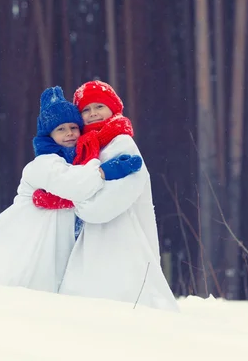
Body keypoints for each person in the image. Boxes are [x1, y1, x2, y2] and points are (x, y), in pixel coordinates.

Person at [0, 86, 142, 292]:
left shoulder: (75, 163)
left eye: (73, 127)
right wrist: (103, 172)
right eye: (60, 129)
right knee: (16, 283)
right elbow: (76, 187)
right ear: (48, 135)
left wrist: (59, 199)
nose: (69, 134)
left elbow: (75, 188)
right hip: (29, 238)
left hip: (55, 241)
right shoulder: (43, 164)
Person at [33, 80, 179, 312]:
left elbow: (114, 198)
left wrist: (78, 204)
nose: (93, 114)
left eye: (99, 106)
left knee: (122, 302)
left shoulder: (121, 143)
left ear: (113, 108)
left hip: (122, 236)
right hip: (93, 239)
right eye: (86, 110)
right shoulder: (89, 147)